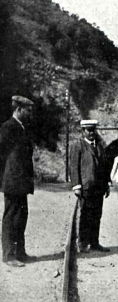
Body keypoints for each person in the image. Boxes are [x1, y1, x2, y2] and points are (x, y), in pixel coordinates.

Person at [0, 95, 35, 267]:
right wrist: (5, 177)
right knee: (11, 218)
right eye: (28, 111)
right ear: (19, 109)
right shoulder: (8, 127)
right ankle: (8, 255)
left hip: (21, 181)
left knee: (21, 217)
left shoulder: (22, 127)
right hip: (13, 180)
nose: (30, 114)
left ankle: (20, 252)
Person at [70, 120, 111, 253]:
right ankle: (82, 243)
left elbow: (105, 167)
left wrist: (107, 184)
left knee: (97, 215)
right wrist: (76, 185)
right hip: (86, 186)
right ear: (83, 131)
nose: (91, 132)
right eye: (88, 130)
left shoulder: (100, 146)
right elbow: (74, 166)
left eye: (93, 130)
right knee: (85, 215)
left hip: (99, 187)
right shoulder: (78, 145)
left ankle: (94, 242)